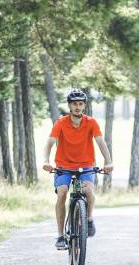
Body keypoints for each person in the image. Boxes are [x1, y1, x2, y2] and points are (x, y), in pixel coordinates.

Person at [42, 90, 113, 250]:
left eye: (80, 104)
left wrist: (108, 162)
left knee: (88, 190)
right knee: (62, 193)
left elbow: (101, 143)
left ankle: (88, 219)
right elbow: (49, 143)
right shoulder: (61, 123)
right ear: (69, 106)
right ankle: (60, 236)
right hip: (64, 166)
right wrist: (46, 160)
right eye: (74, 104)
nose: (77, 107)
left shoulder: (91, 123)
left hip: (86, 165)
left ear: (84, 106)